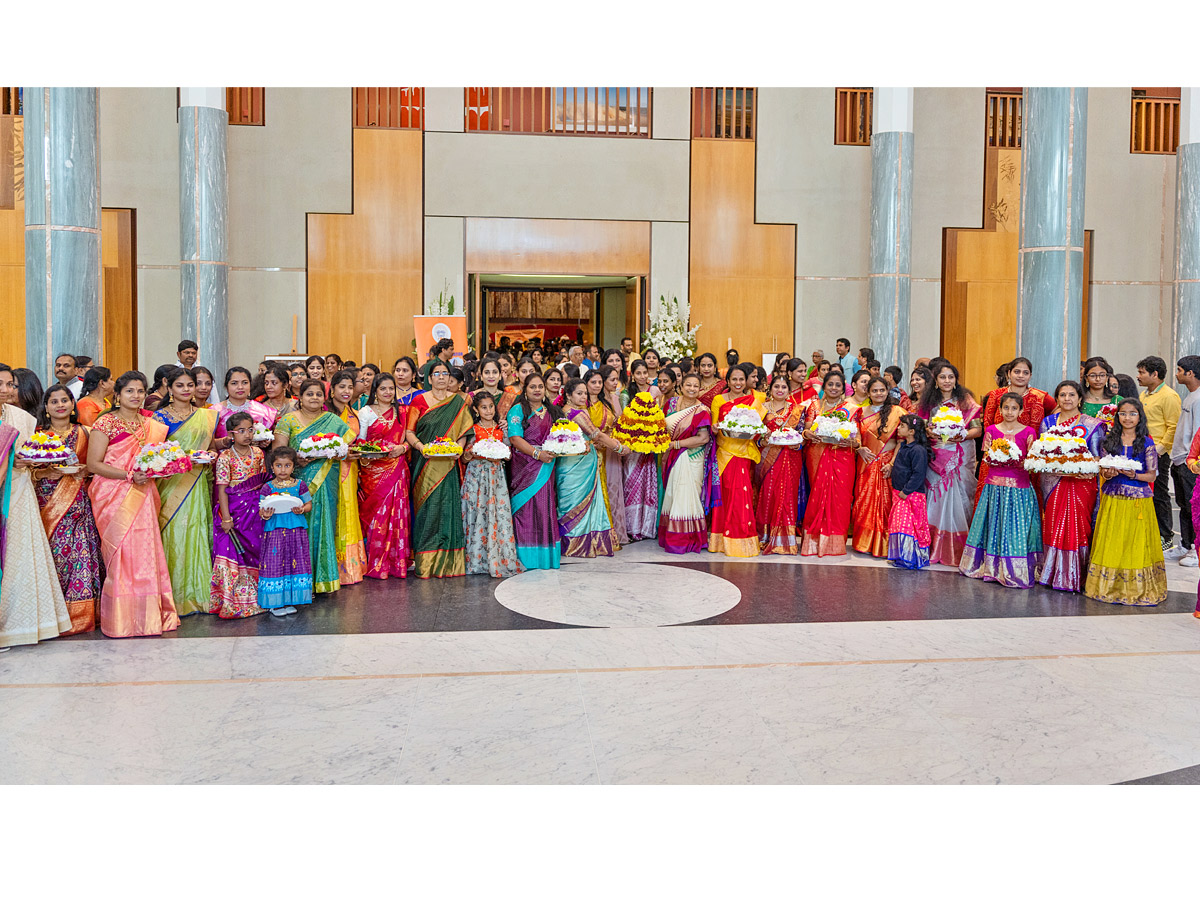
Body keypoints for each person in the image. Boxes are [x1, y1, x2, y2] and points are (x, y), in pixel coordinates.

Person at [86, 371, 180, 638]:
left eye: (140, 391)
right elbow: (93, 464)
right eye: (129, 391)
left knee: (147, 552)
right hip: (113, 494)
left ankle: (149, 618)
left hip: (144, 492)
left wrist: (164, 468)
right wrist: (128, 476)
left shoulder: (151, 423)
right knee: (122, 554)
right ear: (117, 395)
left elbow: (157, 458)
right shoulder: (105, 423)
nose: (136, 396)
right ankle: (122, 620)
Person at [0, 375, 71, 648]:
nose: (6, 389)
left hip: (17, 491)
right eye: (0, 384)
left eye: (11, 384)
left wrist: (22, 462)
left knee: (18, 556)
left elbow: (29, 456)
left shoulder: (21, 418)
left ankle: (19, 626)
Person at [31, 384, 103, 635]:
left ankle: (79, 615)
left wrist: (86, 470)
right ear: (46, 407)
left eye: (65, 400)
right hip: (46, 501)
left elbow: (97, 464)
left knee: (80, 554)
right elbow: (26, 471)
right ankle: (51, 615)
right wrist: (44, 473)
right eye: (54, 401)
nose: (60, 405)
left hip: (79, 503)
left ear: (73, 405)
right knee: (52, 555)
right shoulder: (37, 435)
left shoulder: (87, 432)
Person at [274, 379, 354, 594]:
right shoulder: (288, 420)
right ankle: (298, 580)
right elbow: (278, 452)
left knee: (324, 524)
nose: (314, 398)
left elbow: (346, 450)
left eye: (319, 394)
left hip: (327, 480)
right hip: (297, 483)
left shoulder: (332, 420)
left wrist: (339, 452)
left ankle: (323, 579)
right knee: (298, 526)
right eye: (309, 394)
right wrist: (296, 458)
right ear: (300, 397)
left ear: (324, 398)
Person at [1085, 398, 1167, 606]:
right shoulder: (1109, 441)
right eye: (1123, 413)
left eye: (1132, 414)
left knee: (1134, 541)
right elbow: (1103, 470)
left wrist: (1134, 475)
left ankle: (1135, 588)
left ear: (1140, 417)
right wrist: (1108, 473)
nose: (1127, 418)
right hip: (1113, 498)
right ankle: (1109, 586)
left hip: (1137, 501)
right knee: (1112, 540)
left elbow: (1152, 475)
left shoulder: (1146, 442)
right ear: (1117, 416)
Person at [152, 367, 218, 616]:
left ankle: (197, 594)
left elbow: (210, 448)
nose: (187, 390)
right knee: (173, 531)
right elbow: (153, 453)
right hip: (171, 482)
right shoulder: (159, 418)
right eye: (180, 385)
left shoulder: (205, 415)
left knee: (196, 529)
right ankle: (173, 597)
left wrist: (210, 454)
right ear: (169, 388)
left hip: (197, 480)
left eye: (190, 385)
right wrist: (180, 459)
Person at [959, 392, 1042, 588]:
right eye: (1006, 408)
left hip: (1019, 489)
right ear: (1000, 410)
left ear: (1021, 411)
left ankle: (1014, 570)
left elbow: (1032, 461)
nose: (1010, 412)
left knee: (1016, 528)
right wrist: (999, 458)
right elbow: (987, 458)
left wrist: (1017, 461)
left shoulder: (1029, 432)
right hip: (994, 488)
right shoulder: (991, 431)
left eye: (1014, 408)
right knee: (993, 525)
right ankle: (990, 567)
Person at [1036, 380, 1106, 593]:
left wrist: (1082, 468)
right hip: (1052, 481)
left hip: (1081, 483)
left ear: (1080, 398)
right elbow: (1041, 452)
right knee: (1053, 524)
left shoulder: (1092, 424)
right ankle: (1051, 571)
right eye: (1063, 395)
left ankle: (1077, 574)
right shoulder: (1048, 422)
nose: (1067, 399)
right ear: (1057, 398)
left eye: (1071, 395)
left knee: (1079, 526)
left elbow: (1098, 457)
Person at [405, 361, 472, 578]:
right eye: (437, 373)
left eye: (445, 373)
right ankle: (426, 563)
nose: (441, 377)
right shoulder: (419, 401)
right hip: (425, 464)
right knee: (427, 511)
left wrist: (458, 449)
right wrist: (420, 447)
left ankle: (451, 564)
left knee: (448, 509)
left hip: (449, 464)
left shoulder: (458, 402)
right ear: (429, 378)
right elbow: (409, 432)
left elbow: (463, 432)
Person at [918, 362, 983, 566]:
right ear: (936, 381)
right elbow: (922, 426)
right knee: (935, 496)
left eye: (950, 377)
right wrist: (929, 431)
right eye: (942, 377)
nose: (947, 381)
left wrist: (961, 435)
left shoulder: (965, 401)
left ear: (956, 380)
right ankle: (931, 545)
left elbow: (977, 430)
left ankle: (958, 548)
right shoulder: (928, 401)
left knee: (960, 496)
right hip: (935, 454)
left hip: (960, 454)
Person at [557, 378, 626, 557]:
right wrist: (619, 448)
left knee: (571, 502)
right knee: (576, 501)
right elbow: (596, 434)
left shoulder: (566, 411)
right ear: (568, 395)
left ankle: (572, 543)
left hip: (575, 462)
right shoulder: (575, 413)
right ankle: (577, 544)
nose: (583, 397)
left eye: (585, 393)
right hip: (577, 466)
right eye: (579, 393)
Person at [975, 357, 1055, 508]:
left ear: (1030, 375)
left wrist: (1022, 457)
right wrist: (997, 453)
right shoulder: (995, 395)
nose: (1020, 376)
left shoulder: (1036, 398)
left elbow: (1035, 430)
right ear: (1008, 374)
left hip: (1022, 460)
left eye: (1025, 373)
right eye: (1017, 372)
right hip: (995, 457)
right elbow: (988, 425)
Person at [460, 391, 523, 577]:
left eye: (490, 407)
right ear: (476, 410)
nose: (488, 411)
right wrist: (470, 454)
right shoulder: (472, 429)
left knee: (497, 513)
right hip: (476, 477)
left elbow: (508, 454)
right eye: (483, 408)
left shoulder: (501, 429)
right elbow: (464, 458)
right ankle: (476, 559)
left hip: (496, 476)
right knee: (477, 513)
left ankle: (498, 557)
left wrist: (501, 451)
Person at [356, 372, 412, 580]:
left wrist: (403, 448)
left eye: (391, 388)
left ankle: (396, 562)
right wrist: (370, 454)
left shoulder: (403, 411)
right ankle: (375, 561)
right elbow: (360, 442)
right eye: (383, 389)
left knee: (396, 515)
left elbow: (408, 439)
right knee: (375, 517)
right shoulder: (366, 412)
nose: (388, 392)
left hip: (397, 468)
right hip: (372, 471)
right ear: (375, 391)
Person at [211, 411, 267, 618]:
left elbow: (262, 483)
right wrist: (226, 518)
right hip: (234, 510)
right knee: (232, 550)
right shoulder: (225, 457)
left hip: (255, 511)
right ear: (231, 434)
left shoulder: (258, 453)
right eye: (241, 431)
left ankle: (260, 597)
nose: (247, 435)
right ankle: (233, 601)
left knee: (256, 549)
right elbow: (222, 489)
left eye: (250, 430)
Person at [709, 363, 766, 557]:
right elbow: (715, 427)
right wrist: (715, 428)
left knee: (742, 495)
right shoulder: (718, 400)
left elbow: (757, 429)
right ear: (728, 381)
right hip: (724, 453)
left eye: (741, 379)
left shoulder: (754, 401)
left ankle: (742, 540)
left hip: (743, 453)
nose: (738, 383)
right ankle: (721, 542)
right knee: (724, 495)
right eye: (734, 379)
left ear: (746, 380)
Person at [800, 370, 858, 557]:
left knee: (840, 499)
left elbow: (857, 439)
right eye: (830, 384)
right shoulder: (814, 406)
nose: (834, 388)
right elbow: (806, 430)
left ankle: (834, 543)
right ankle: (814, 542)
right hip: (817, 455)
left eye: (837, 385)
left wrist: (850, 442)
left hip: (842, 458)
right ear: (824, 386)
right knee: (817, 497)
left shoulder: (851, 409)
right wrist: (808, 434)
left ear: (843, 388)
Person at [508, 373, 562, 570]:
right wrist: (537, 454)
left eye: (540, 386)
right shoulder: (518, 410)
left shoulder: (552, 411)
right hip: (525, 465)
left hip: (547, 466)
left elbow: (561, 435)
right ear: (525, 389)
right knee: (525, 508)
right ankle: (525, 557)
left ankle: (544, 556)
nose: (537, 390)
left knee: (544, 507)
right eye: (532, 387)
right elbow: (515, 438)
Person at [257, 446, 314, 615]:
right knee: (275, 562)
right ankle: (274, 603)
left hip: (296, 530)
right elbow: (262, 510)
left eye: (287, 465)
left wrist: (302, 509)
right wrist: (265, 514)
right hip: (275, 531)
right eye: (279, 465)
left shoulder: (300, 485)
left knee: (294, 562)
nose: (283, 470)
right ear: (272, 467)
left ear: (293, 466)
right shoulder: (268, 488)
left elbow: (308, 505)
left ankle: (289, 600)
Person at [851, 376, 903, 557]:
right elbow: (855, 436)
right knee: (864, 502)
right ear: (868, 392)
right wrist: (859, 448)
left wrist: (892, 463)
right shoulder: (860, 412)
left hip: (887, 464)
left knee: (886, 504)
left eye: (882, 390)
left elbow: (902, 441)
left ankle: (885, 545)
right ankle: (864, 543)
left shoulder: (897, 412)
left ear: (888, 391)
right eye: (874, 390)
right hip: (866, 463)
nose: (879, 393)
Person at [1137, 354, 1182, 557]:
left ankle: (1166, 536)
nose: (1138, 376)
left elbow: (1173, 427)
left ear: (1155, 374)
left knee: (1160, 493)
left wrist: (1159, 450)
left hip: (1158, 452)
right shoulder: (1144, 395)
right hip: (1143, 449)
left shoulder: (1169, 396)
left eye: (1142, 372)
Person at [756, 375, 806, 555]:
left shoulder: (797, 410)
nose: (780, 390)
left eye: (784, 387)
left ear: (789, 391)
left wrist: (798, 445)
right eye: (776, 386)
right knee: (767, 493)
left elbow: (802, 435)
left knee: (786, 495)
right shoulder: (761, 409)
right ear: (770, 389)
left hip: (790, 457)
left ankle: (784, 540)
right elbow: (755, 435)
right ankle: (765, 537)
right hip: (767, 457)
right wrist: (762, 441)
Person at [327, 369, 366, 586]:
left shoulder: (354, 413)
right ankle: (332, 566)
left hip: (351, 469)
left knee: (349, 510)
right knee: (334, 511)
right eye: (341, 387)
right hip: (329, 469)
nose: (346, 391)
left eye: (350, 387)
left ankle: (350, 567)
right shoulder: (324, 413)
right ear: (332, 389)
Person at [586, 368, 628, 547]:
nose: (597, 386)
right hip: (588, 454)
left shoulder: (605, 404)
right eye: (593, 382)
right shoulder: (582, 405)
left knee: (606, 493)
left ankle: (605, 535)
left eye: (599, 382)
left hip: (607, 452)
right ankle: (588, 537)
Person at [888, 415, 933, 569]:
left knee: (909, 526)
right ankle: (902, 556)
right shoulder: (904, 446)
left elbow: (918, 474)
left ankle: (910, 558)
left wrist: (906, 491)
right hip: (900, 493)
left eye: (902, 426)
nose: (898, 428)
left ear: (911, 431)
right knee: (899, 525)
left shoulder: (918, 450)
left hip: (910, 495)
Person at [1170, 355, 1200, 566]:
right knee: (1183, 505)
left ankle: (1195, 549)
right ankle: (1185, 544)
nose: (1177, 374)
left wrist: (1193, 460)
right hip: (1180, 459)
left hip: (1190, 462)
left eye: (1180, 370)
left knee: (1193, 507)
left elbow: (1197, 434)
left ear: (1191, 373)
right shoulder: (1191, 396)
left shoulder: (1198, 399)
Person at [211, 366, 278, 447]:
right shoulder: (214, 411)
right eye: (234, 383)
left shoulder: (264, 411)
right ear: (226, 386)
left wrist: (264, 442)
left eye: (245, 383)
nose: (240, 387)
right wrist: (225, 442)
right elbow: (206, 443)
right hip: (223, 454)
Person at [1080, 356, 1119, 422]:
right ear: (1086, 378)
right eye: (1093, 375)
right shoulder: (1079, 400)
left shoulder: (1117, 400)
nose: (1098, 379)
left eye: (1102, 375)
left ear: (1107, 377)